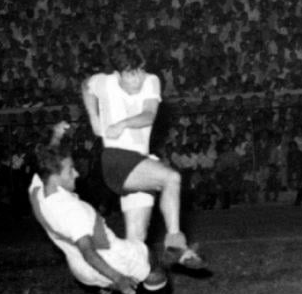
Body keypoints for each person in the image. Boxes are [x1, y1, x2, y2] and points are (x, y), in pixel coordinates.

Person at [28, 123, 187, 294]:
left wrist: (56, 137)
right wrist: (118, 278)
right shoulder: (70, 210)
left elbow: (45, 160)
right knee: (154, 267)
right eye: (70, 170)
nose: (76, 174)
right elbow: (88, 251)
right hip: (107, 258)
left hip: (79, 269)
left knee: (129, 278)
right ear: (55, 176)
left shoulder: (38, 189)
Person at [82, 45, 209, 276]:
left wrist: (122, 123)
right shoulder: (105, 82)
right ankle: (176, 244)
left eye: (140, 70)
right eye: (131, 73)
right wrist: (93, 118)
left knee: (136, 241)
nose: (138, 77)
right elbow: (86, 86)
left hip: (139, 163)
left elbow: (149, 115)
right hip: (116, 160)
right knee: (171, 178)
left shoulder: (151, 81)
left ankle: (118, 290)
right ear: (118, 74)